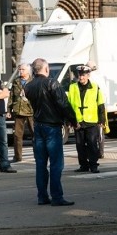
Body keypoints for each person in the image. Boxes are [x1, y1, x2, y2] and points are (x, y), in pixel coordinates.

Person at [25, 57, 78, 206]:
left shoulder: (28, 86)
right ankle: (57, 197)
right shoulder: (52, 83)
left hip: (38, 126)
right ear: (46, 69)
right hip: (52, 127)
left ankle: (42, 196)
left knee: (41, 164)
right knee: (56, 164)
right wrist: (73, 120)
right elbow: (63, 104)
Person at [67, 64, 108, 173]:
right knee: (80, 146)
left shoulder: (95, 87)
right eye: (80, 75)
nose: (81, 77)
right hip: (78, 121)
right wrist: (70, 120)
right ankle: (83, 165)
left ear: (88, 75)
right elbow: (69, 105)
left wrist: (101, 120)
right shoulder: (73, 87)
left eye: (84, 75)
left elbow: (100, 104)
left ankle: (93, 165)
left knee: (92, 144)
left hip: (91, 121)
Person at [8, 62, 34, 163]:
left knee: (35, 135)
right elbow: (11, 96)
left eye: (22, 69)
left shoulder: (33, 81)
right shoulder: (16, 81)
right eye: (20, 69)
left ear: (28, 71)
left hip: (31, 111)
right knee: (17, 135)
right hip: (18, 110)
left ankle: (39, 155)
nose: (20, 71)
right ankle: (17, 156)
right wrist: (9, 110)